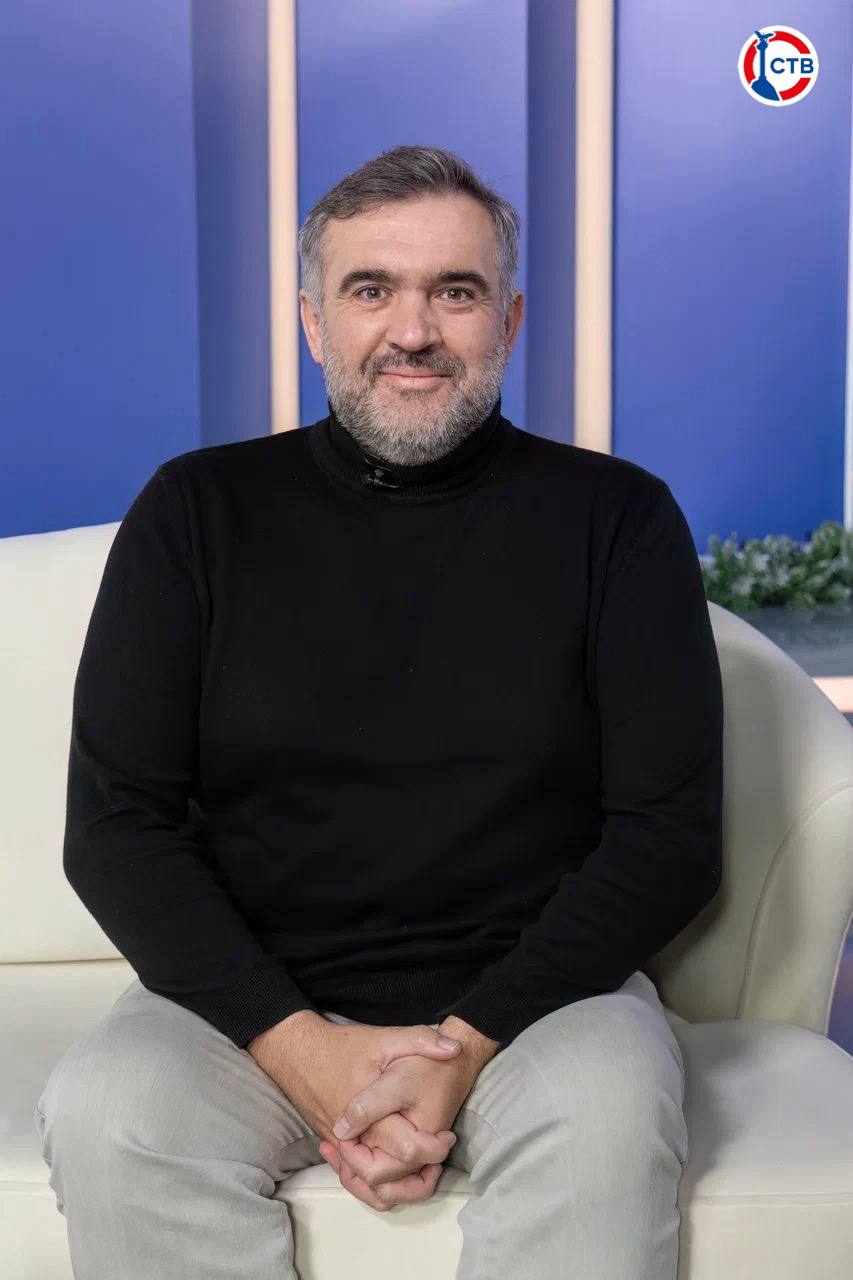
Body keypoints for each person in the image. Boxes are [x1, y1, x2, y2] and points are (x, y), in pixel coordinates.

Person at [35, 144, 723, 1279]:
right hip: (249, 1008)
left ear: (507, 320)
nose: (413, 329)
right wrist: (301, 1048)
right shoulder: (196, 512)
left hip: (542, 1008)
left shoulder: (619, 520)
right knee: (110, 1112)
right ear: (315, 323)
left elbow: (667, 836)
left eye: (454, 291)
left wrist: (467, 1044)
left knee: (604, 1122)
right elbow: (115, 825)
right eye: (371, 290)